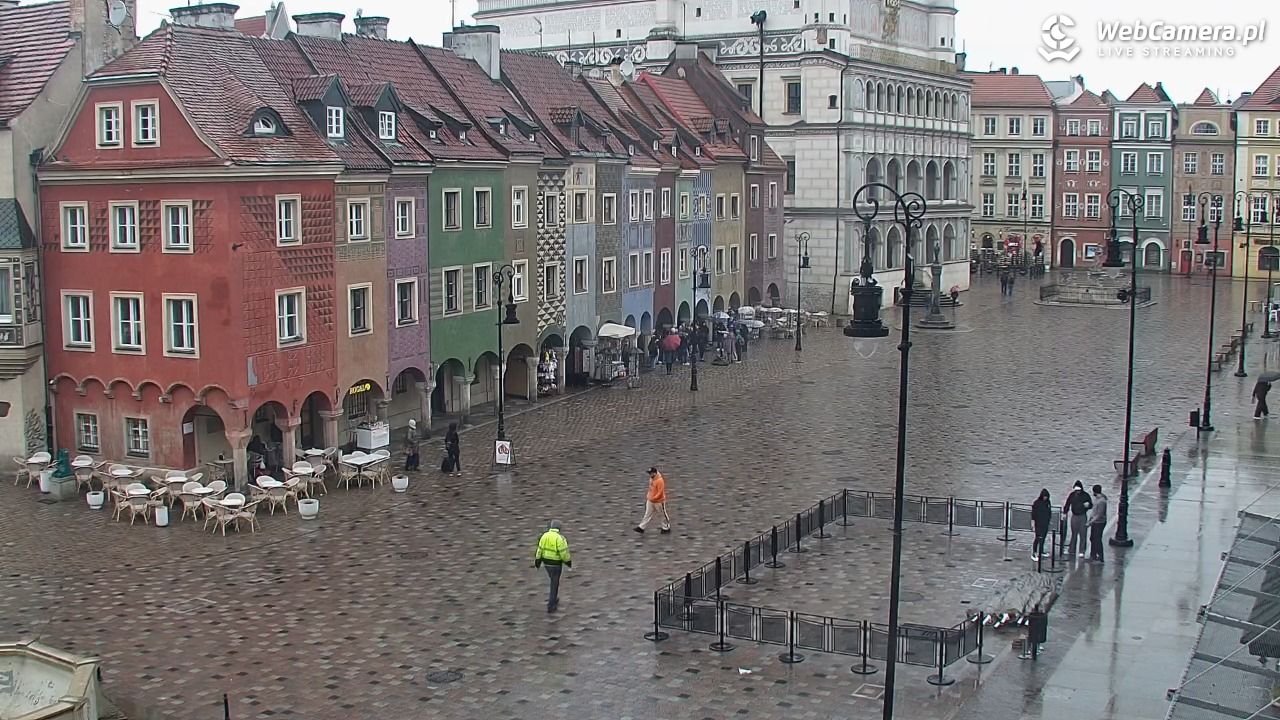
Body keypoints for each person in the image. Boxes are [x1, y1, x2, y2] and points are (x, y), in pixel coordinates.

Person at [533, 520, 572, 613]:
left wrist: (537, 561)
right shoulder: (560, 538)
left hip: (546, 563)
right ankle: (551, 604)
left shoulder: (544, 536)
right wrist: (568, 562)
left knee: (552, 580)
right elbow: (564, 553)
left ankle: (553, 598)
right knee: (554, 583)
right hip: (556, 564)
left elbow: (540, 550)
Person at [634, 467, 671, 534]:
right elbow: (651, 488)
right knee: (647, 514)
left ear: (655, 473)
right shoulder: (652, 479)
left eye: (651, 473)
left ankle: (666, 528)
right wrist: (649, 496)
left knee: (662, 515)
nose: (650, 475)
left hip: (659, 502)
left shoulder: (660, 481)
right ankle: (641, 527)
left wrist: (653, 498)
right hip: (650, 500)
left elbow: (660, 493)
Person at [1062, 481, 1092, 558]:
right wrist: (1065, 512)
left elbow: (1090, 505)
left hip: (1082, 516)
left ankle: (1082, 551)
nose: (1077, 492)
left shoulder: (1086, 495)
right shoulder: (1072, 495)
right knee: (1074, 534)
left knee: (1083, 534)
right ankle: (1071, 550)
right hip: (1074, 516)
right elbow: (1067, 504)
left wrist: (1088, 506)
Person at [1089, 484, 1108, 562]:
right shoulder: (1097, 499)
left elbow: (1100, 514)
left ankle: (1100, 557)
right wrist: (1090, 518)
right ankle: (1093, 555)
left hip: (1099, 523)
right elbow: (1094, 511)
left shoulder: (1101, 501)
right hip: (1095, 522)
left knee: (1097, 539)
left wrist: (1091, 522)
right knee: (1092, 538)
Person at [1031, 489, 1052, 560]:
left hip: (1045, 523)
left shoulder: (1048, 502)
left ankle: (1041, 551)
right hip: (1038, 524)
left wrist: (1049, 520)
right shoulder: (1036, 503)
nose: (1045, 498)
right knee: (1037, 538)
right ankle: (1034, 553)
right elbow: (1033, 514)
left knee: (1043, 538)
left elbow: (1049, 512)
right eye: (1044, 496)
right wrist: (1033, 523)